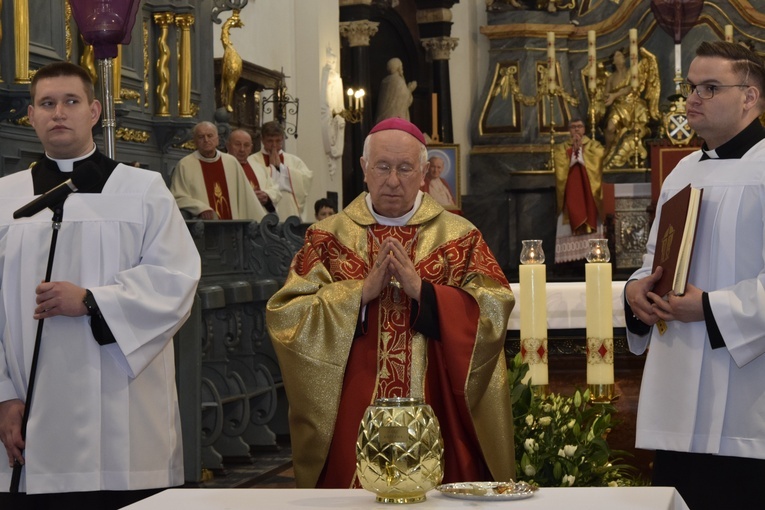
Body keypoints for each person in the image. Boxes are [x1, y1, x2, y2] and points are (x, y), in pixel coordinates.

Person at [267, 117, 516, 489]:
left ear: (423, 173)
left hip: (437, 408)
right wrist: (358, 296)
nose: (394, 180)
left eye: (404, 168)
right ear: (364, 169)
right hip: (352, 407)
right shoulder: (327, 237)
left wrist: (427, 295)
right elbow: (287, 315)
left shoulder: (460, 237)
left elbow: (494, 306)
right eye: (383, 167)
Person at [0, 62, 201, 509]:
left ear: (93, 111)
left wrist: (92, 301)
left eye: (70, 102)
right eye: (46, 104)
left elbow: (176, 279)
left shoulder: (144, 190)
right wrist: (4, 395)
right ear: (30, 115)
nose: (58, 113)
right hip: (31, 414)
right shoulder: (5, 197)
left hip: (122, 417)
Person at [624, 41, 765, 510]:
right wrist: (637, 293)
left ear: (750, 96)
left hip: (748, 397)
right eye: (690, 88)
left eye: (709, 87)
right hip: (678, 390)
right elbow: (654, 261)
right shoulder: (682, 171)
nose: (691, 101)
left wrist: (707, 308)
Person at [170, 121, 267, 220]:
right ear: (194, 141)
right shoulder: (185, 165)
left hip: (233, 226)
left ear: (217, 139)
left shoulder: (231, 162)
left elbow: (247, 196)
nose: (206, 140)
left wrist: (262, 222)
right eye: (201, 137)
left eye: (210, 135)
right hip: (203, 226)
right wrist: (200, 208)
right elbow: (178, 197)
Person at [248, 121, 313, 221]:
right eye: (270, 141)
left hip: (289, 211)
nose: (274, 145)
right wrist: (273, 169)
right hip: (264, 213)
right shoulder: (252, 160)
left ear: (282, 139)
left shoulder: (294, 161)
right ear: (262, 140)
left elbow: (306, 181)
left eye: (278, 141)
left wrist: (281, 168)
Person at [225, 128, 281, 214]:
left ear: (251, 148)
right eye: (237, 144)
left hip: (258, 219)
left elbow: (275, 189)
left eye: (246, 145)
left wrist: (266, 196)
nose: (242, 149)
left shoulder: (258, 168)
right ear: (228, 145)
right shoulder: (221, 165)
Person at [375, 57, 417, 123]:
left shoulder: (384, 81)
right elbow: (404, 101)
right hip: (396, 119)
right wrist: (410, 89)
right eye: (401, 66)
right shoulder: (399, 81)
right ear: (398, 67)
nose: (402, 68)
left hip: (384, 120)